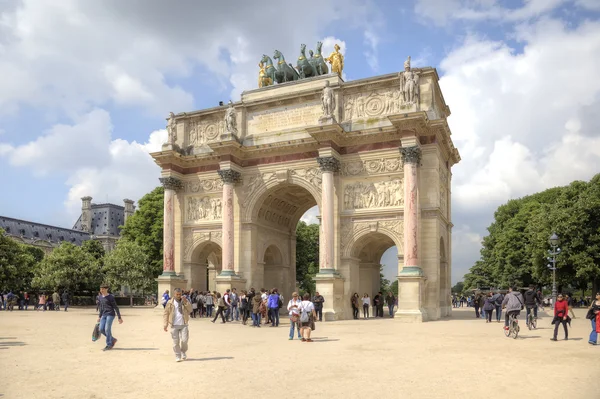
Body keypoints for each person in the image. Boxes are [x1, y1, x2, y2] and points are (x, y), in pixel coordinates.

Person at [163, 288, 192, 362]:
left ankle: (183, 351)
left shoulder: (185, 301)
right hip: (174, 324)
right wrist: (165, 324)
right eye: (177, 294)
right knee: (175, 342)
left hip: (184, 324)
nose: (179, 296)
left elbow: (190, 310)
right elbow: (166, 313)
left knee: (185, 340)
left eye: (180, 294)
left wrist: (186, 302)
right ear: (174, 294)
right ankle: (177, 355)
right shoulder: (170, 302)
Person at [97, 284, 123, 351]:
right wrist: (99, 316)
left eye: (103, 289)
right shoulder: (100, 297)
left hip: (110, 314)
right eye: (100, 289)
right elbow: (101, 308)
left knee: (107, 329)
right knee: (101, 329)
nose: (101, 290)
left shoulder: (110, 297)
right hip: (104, 315)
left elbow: (115, 307)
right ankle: (112, 339)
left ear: (106, 289)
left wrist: (119, 317)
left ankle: (109, 344)